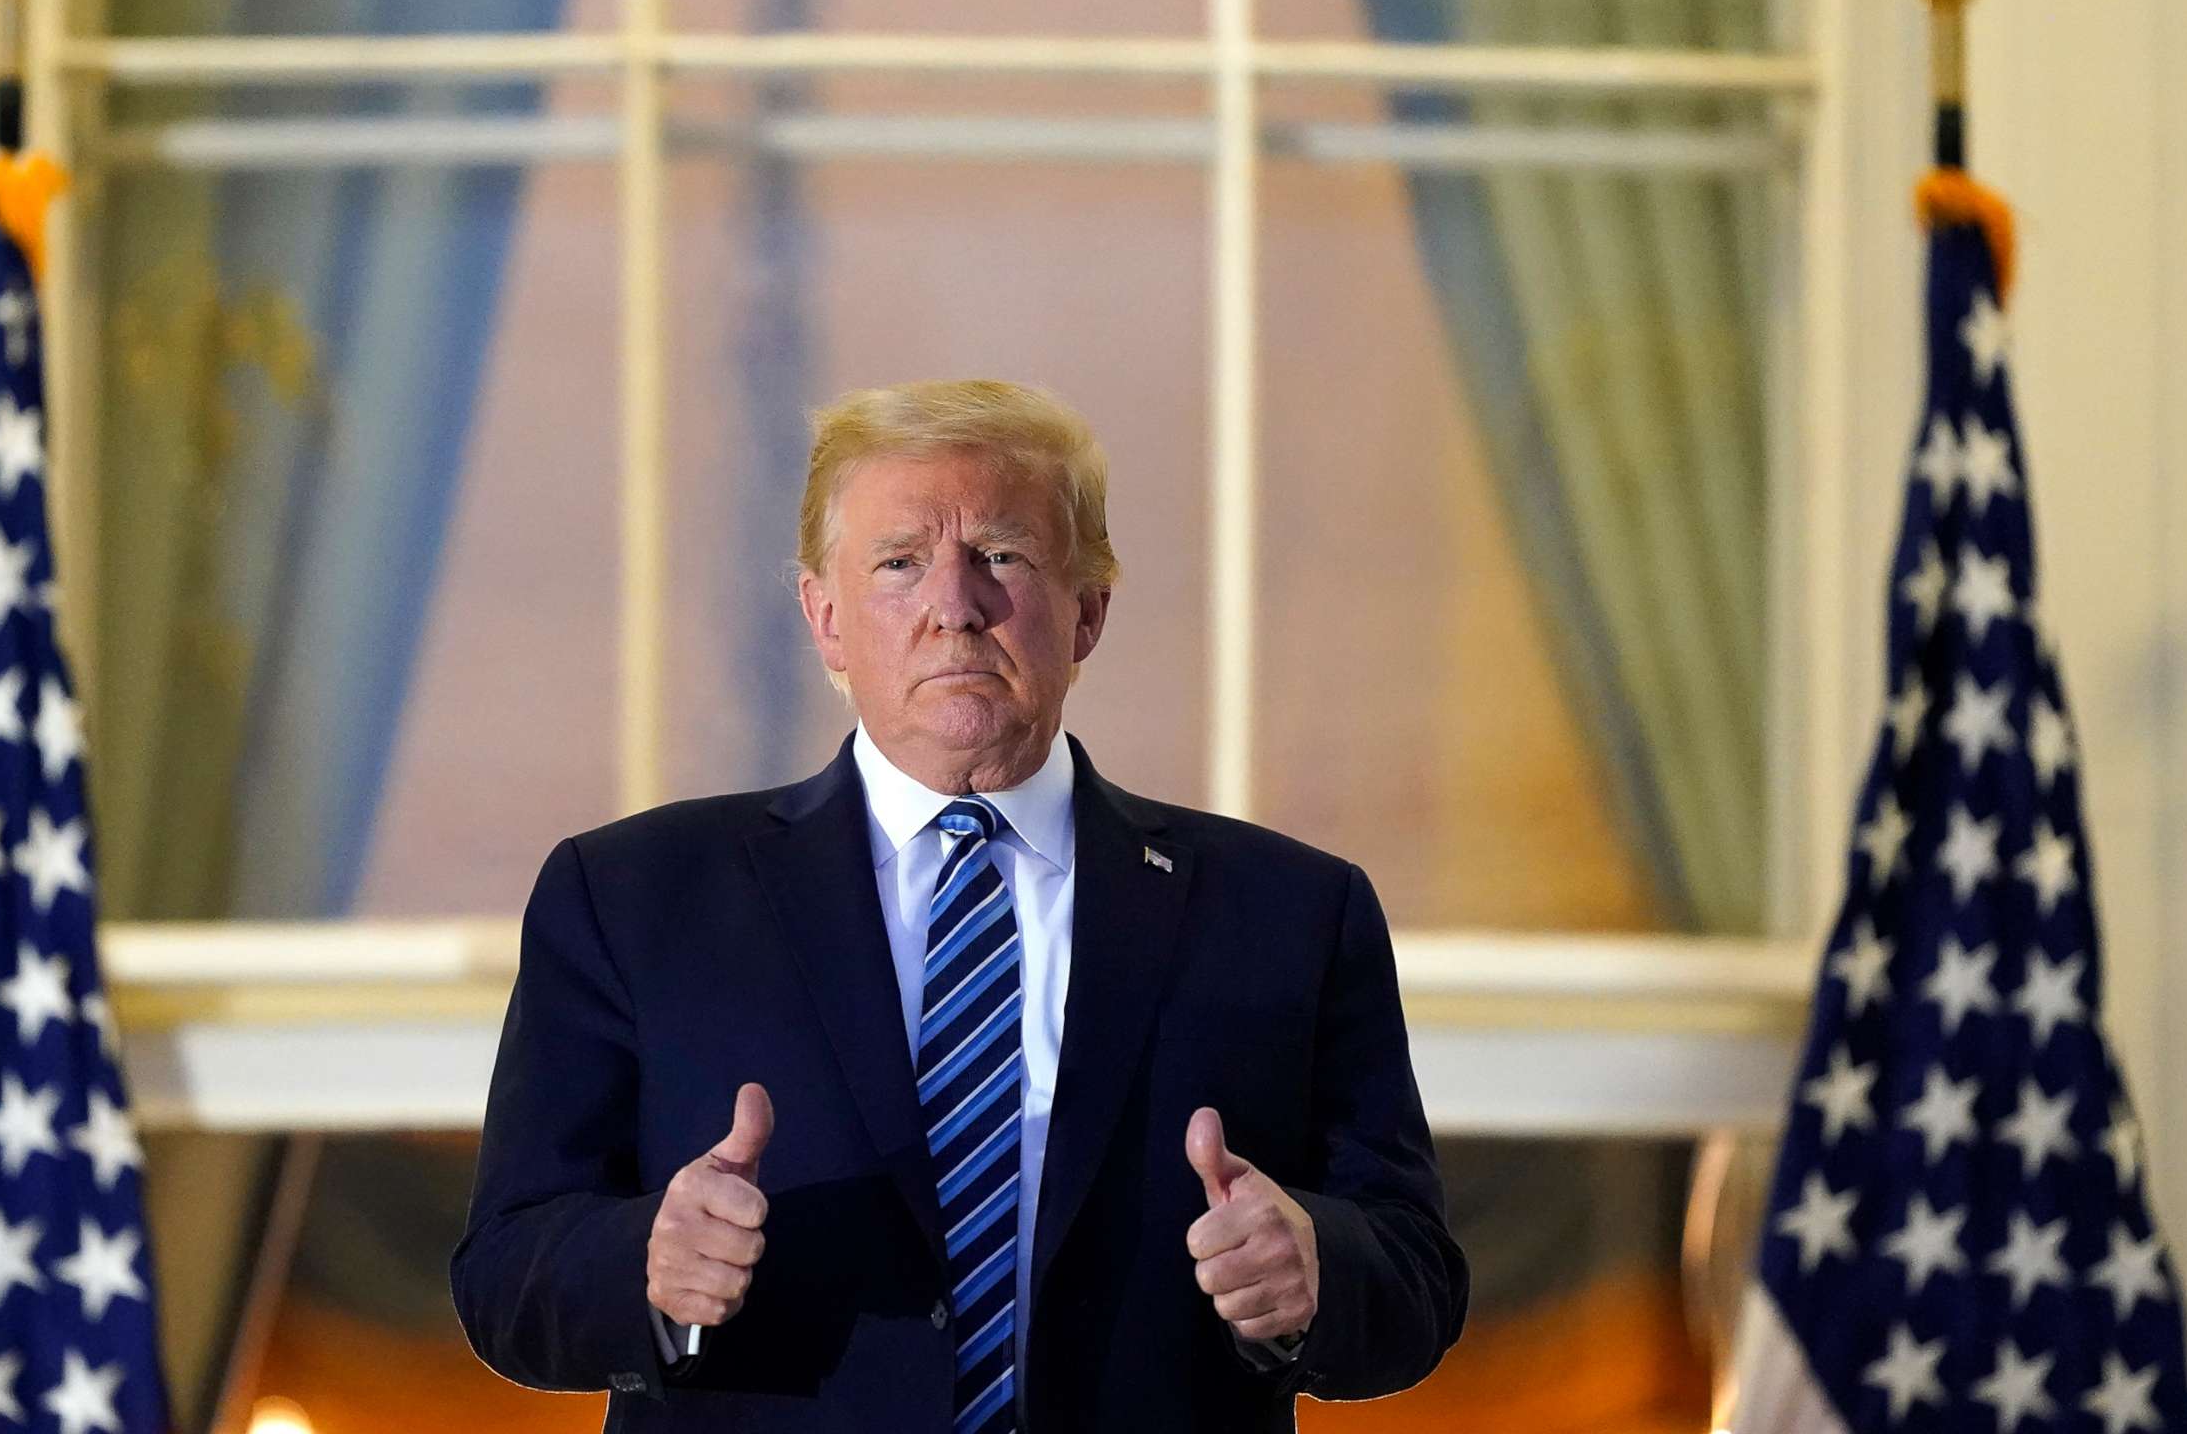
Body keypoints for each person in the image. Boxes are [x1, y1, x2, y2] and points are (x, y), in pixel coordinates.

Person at [451, 378, 1467, 1431]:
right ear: (826, 618)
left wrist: (1312, 1269)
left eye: (1002, 556)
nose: (955, 605)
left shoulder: (1290, 913)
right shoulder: (631, 897)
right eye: (900, 563)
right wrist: (649, 1271)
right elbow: (504, 1272)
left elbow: (1417, 1278)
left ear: (1089, 612)